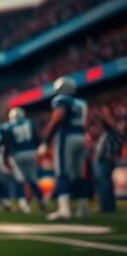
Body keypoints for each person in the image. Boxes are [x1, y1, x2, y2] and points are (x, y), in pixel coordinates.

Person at [40, 76, 88, 220]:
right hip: (81, 136)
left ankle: (64, 209)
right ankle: (83, 208)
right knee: (79, 174)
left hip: (67, 137)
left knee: (62, 171)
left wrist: (46, 140)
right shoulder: (81, 103)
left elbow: (57, 118)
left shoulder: (61, 100)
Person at [4, 107, 45, 213]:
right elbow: (37, 139)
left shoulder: (8, 126)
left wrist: (5, 158)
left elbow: (7, 144)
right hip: (31, 152)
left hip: (17, 154)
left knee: (20, 180)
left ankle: (24, 205)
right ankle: (41, 200)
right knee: (33, 178)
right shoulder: (30, 123)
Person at [94, 106, 124, 213]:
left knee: (105, 184)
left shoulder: (115, 131)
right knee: (104, 183)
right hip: (102, 159)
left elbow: (118, 139)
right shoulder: (107, 132)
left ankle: (107, 207)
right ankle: (107, 206)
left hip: (106, 159)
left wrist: (106, 115)